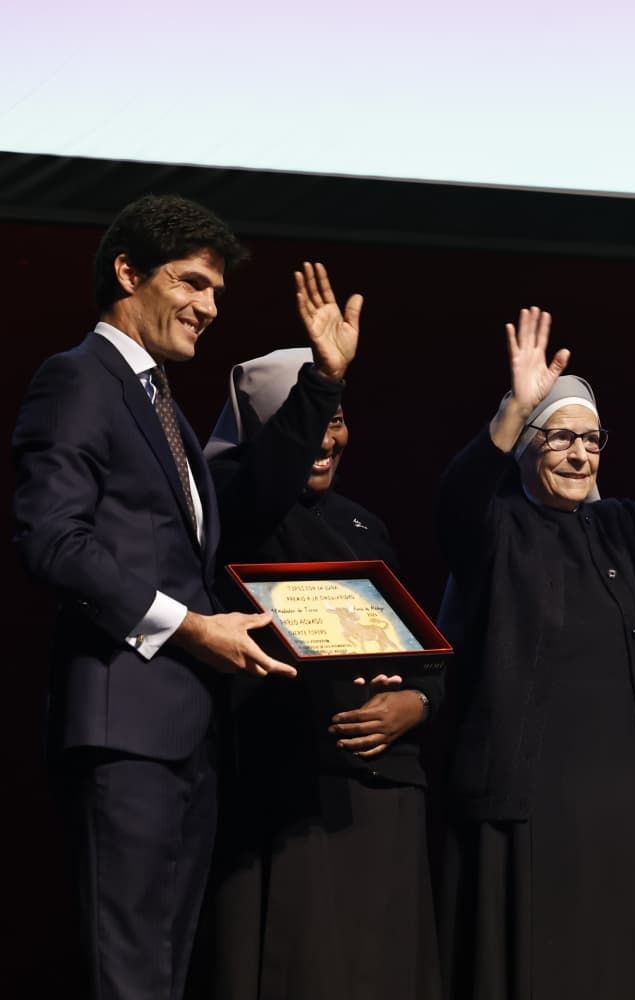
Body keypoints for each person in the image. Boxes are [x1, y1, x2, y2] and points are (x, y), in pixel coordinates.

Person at [434, 308, 635, 1000]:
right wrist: (514, 408)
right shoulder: (497, 529)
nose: (581, 455)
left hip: (626, 794)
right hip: (534, 798)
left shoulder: (621, 529)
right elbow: (455, 502)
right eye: (560, 438)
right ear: (527, 446)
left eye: (591, 439)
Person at [12, 194, 297, 1000]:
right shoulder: (76, 379)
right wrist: (190, 627)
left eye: (216, 294)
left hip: (187, 733)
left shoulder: (158, 400)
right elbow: (52, 541)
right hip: (124, 731)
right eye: (192, 283)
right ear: (128, 272)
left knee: (165, 972)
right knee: (132, 972)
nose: (208, 308)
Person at [198, 262, 441, 998]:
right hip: (290, 788)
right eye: (310, 420)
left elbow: (419, 643)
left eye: (338, 417)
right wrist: (325, 378)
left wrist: (420, 703)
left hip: (383, 789)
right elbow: (265, 478)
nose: (329, 438)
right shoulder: (238, 508)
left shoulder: (365, 522)